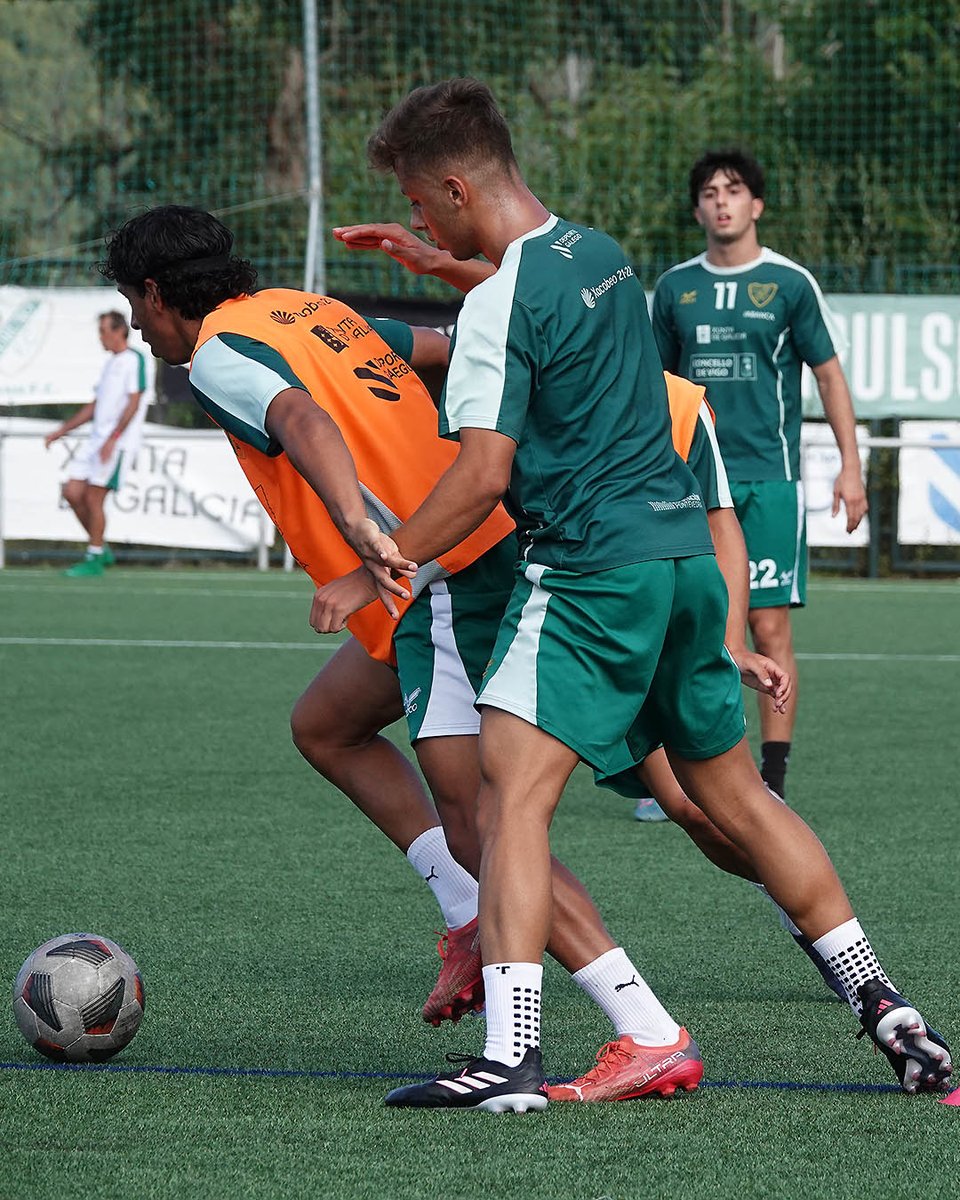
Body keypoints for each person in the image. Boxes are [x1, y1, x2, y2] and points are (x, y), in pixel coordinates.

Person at [337, 77, 949, 1112]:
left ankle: (513, 1055)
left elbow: (484, 472)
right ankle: (887, 1007)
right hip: (680, 567)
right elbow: (536, 307)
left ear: (449, 184)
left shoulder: (498, 303)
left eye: (417, 196)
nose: (417, 216)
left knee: (506, 802)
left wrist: (378, 560)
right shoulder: (599, 252)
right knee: (736, 796)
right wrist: (460, 271)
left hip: (588, 570)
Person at [98, 205, 722, 1100]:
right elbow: (436, 350)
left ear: (156, 295)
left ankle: (642, 1025)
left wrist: (369, 543)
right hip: (482, 553)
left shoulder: (216, 356)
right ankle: (471, 914)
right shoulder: (305, 308)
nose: (140, 317)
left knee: (490, 823)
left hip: (442, 580)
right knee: (327, 724)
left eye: (133, 298)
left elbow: (302, 422)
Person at [651, 148, 868, 800]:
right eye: (710, 192)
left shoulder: (790, 283)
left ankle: (770, 781)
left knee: (768, 629)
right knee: (682, 620)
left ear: (756, 204)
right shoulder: (674, 289)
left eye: (735, 189)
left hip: (769, 481)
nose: (722, 201)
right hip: (690, 486)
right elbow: (653, 388)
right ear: (697, 209)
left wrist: (851, 469)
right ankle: (670, 774)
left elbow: (828, 374)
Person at [44, 311, 147, 577]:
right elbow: (95, 406)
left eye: (103, 331)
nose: (100, 337)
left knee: (93, 497)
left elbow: (134, 402)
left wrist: (113, 439)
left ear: (119, 331)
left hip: (117, 443)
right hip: (95, 441)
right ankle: (100, 548)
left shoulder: (133, 360)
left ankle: (94, 556)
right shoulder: (110, 364)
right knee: (72, 492)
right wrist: (61, 431)